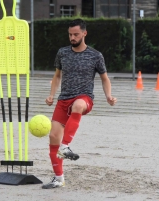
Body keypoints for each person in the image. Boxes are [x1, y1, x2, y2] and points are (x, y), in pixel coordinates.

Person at [42, 19, 117, 189]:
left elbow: (104, 79)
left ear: (84, 33)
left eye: (76, 34)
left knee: (77, 105)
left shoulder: (95, 55)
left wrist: (109, 96)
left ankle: (66, 146)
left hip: (84, 98)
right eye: (70, 34)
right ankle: (59, 178)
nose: (72, 37)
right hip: (63, 99)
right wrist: (51, 95)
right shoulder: (62, 53)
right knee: (53, 136)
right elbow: (57, 76)